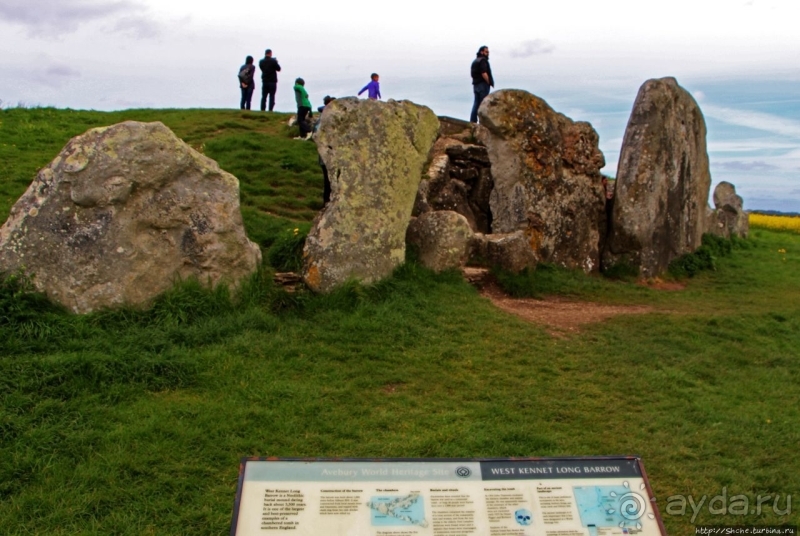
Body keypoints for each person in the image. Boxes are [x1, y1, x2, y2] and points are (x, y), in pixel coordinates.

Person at [316, 96, 336, 204]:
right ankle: (327, 202)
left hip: (327, 155)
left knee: (330, 180)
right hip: (326, 156)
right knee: (329, 180)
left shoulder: (323, 117)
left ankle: (328, 202)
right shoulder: (324, 119)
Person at [470, 45, 494, 123]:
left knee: (476, 103)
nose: (488, 53)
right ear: (482, 52)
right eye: (486, 52)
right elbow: (484, 73)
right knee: (482, 104)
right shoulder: (483, 61)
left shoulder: (475, 61)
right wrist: (489, 82)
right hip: (482, 85)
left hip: (475, 85)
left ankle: (473, 120)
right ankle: (482, 121)